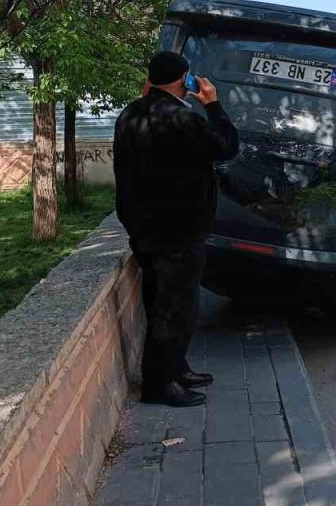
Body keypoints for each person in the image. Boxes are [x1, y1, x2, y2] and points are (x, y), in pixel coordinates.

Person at [114, 52, 239, 407]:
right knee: (176, 310)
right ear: (184, 79)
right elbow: (227, 146)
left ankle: (175, 368)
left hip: (143, 227)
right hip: (178, 231)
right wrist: (213, 105)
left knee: (159, 303)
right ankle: (159, 385)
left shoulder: (131, 114)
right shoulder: (182, 119)